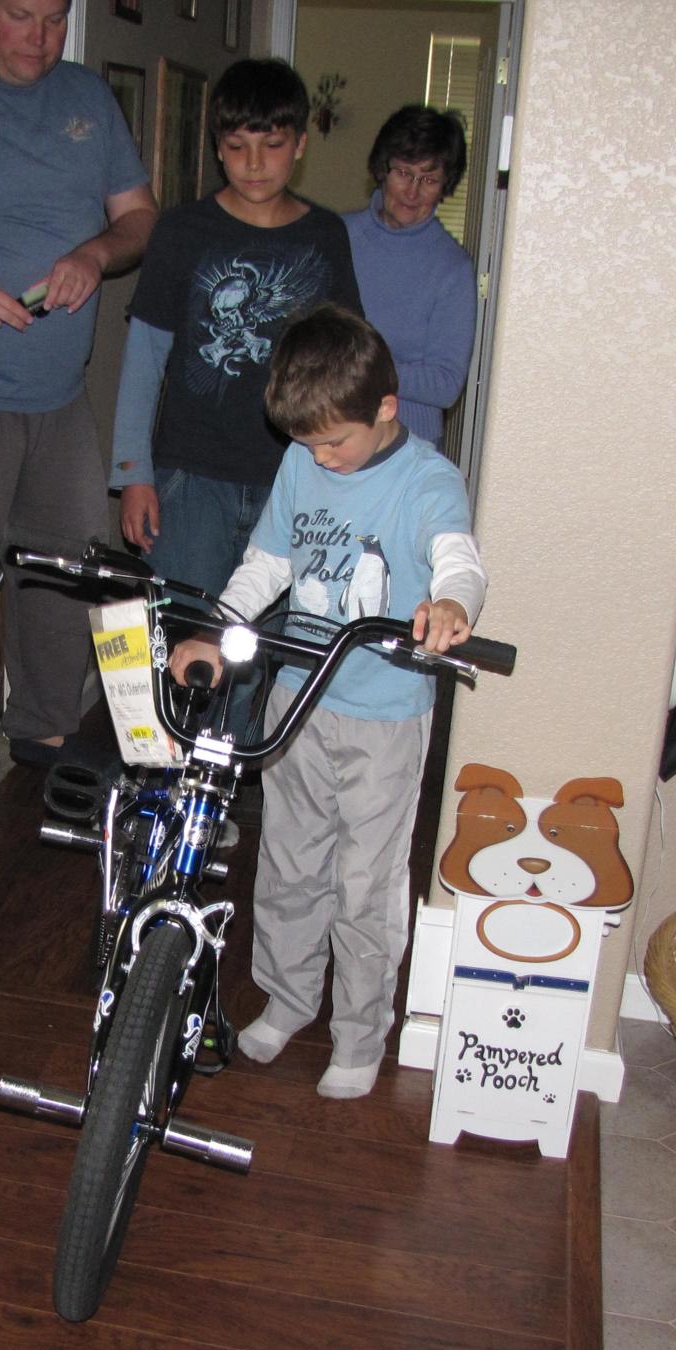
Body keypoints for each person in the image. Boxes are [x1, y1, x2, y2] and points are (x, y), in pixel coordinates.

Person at [169, 304, 487, 1100]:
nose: (321, 459)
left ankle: (359, 1032)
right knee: (288, 862)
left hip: (385, 716)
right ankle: (287, 998)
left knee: (366, 882)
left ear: (386, 408)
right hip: (298, 698)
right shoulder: (304, 461)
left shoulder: (426, 481)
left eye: (334, 442)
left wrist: (453, 603)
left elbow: (458, 559)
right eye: (307, 445)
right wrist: (218, 633)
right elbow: (268, 563)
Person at [0, 0, 158, 825]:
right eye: (21, 16)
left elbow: (138, 218)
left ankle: (41, 729)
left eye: (55, 19)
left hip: (61, 392)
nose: (40, 38)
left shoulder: (87, 100)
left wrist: (94, 254)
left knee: (69, 568)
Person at [109, 58, 363, 600]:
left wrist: (353, 470)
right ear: (218, 147)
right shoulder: (180, 231)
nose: (254, 163)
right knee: (184, 631)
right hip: (190, 476)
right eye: (237, 145)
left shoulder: (325, 236)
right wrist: (133, 473)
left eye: (272, 144)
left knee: (270, 638)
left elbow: (347, 367)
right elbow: (144, 360)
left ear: (300, 144)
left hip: (296, 475)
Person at [342, 105, 477, 444]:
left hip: (408, 446)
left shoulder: (452, 268)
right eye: (403, 172)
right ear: (382, 169)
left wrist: (358, 370)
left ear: (445, 185)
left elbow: (445, 384)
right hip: (331, 433)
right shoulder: (337, 236)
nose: (412, 192)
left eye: (429, 179)